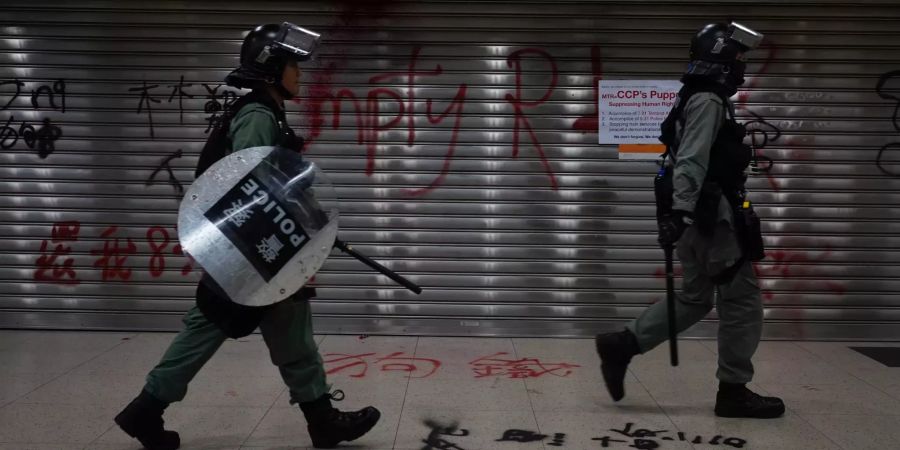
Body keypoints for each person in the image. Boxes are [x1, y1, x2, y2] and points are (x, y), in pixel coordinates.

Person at [113, 23, 380, 450]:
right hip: (252, 253)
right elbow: (245, 185)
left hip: (260, 251)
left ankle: (320, 419)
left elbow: (272, 183)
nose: (300, 74)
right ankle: (146, 409)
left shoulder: (268, 110)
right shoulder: (257, 115)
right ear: (272, 68)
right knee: (210, 328)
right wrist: (287, 243)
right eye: (293, 65)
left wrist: (306, 226)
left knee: (287, 333)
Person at [595, 22, 785, 419]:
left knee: (695, 297)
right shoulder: (708, 101)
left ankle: (622, 344)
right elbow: (693, 158)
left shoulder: (690, 97)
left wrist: (678, 213)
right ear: (720, 58)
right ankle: (733, 391)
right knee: (742, 300)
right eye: (737, 58)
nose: (741, 67)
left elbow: (681, 156)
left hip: (696, 217)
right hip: (711, 221)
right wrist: (682, 211)